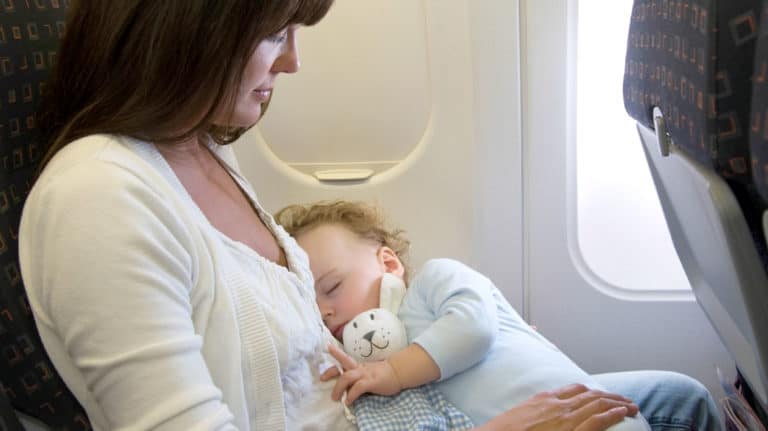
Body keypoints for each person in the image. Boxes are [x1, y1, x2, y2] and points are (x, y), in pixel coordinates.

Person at [15, 1, 712, 430]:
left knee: (680, 401)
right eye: (274, 32)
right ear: (190, 28)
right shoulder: (97, 200)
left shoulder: (202, 154)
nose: (291, 60)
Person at [275, 200, 723, 431]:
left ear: (389, 264)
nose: (326, 309)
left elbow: (474, 327)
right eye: (311, 304)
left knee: (685, 395)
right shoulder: (360, 366)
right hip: (525, 418)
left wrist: (393, 371)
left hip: (572, 401)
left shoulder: (433, 282)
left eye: (332, 287)